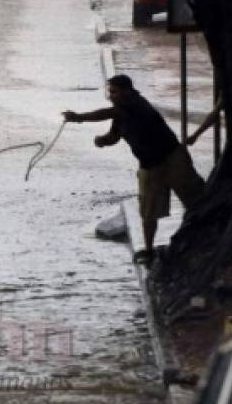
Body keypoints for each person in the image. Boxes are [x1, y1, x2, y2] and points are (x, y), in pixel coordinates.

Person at [63, 74, 205, 266]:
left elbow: (107, 114)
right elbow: (114, 135)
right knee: (148, 212)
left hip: (172, 158)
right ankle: (148, 250)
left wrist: (79, 118)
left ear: (127, 91)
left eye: (114, 92)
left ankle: (201, 241)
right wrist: (102, 141)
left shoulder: (137, 104)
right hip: (148, 165)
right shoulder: (121, 111)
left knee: (195, 202)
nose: (110, 96)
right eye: (109, 92)